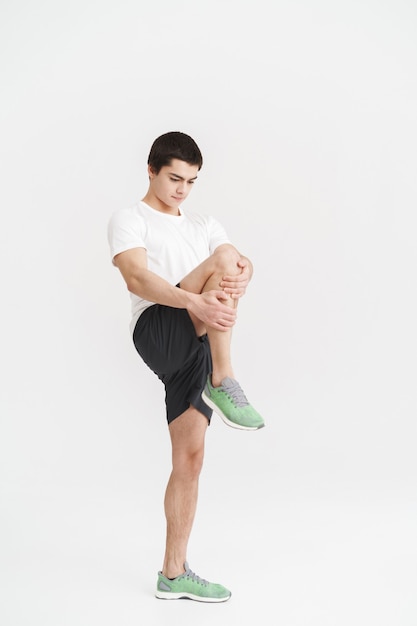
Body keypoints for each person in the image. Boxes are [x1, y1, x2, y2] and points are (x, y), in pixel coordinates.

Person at [107, 131, 265, 603]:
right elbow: (137, 277)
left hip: (194, 340)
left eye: (191, 181)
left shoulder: (203, 222)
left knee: (190, 459)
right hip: (157, 327)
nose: (182, 189)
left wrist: (241, 270)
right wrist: (198, 300)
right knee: (222, 258)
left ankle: (173, 574)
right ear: (152, 170)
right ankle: (225, 377)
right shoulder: (129, 218)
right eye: (174, 178)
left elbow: (237, 262)